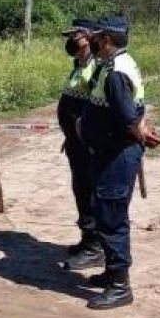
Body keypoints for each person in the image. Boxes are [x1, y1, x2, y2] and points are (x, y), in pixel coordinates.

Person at [78, 16, 146, 310]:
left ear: (105, 40)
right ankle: (111, 274)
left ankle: (121, 286)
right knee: (107, 212)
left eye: (96, 37)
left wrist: (138, 137)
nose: (91, 41)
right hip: (109, 153)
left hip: (117, 155)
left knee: (112, 217)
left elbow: (130, 120)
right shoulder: (115, 64)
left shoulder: (117, 72)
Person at [57, 18, 105, 270]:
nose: (70, 41)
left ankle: (95, 247)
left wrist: (85, 136)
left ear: (87, 37)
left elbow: (95, 107)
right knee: (80, 189)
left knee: (89, 191)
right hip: (76, 142)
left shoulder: (98, 66)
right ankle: (87, 238)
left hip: (89, 144)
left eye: (74, 36)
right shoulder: (80, 63)